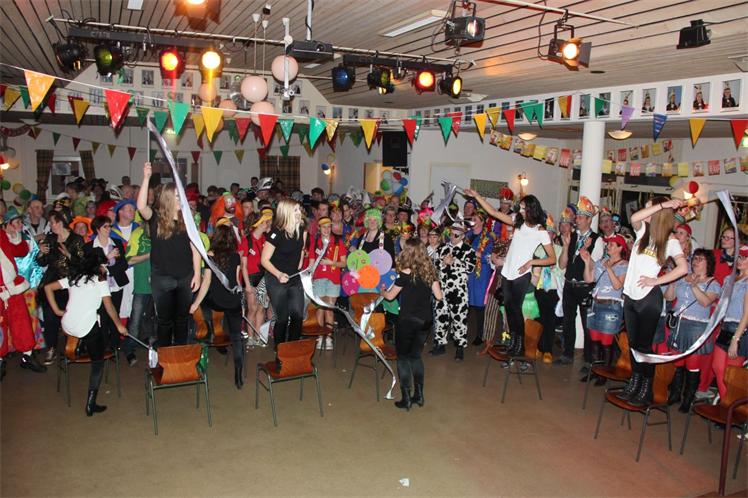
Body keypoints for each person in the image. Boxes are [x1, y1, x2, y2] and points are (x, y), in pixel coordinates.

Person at [464, 190, 555, 357]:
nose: (521, 211)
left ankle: (520, 345)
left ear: (532, 209)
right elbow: (493, 212)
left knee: (516, 309)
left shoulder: (540, 230)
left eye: (524, 208)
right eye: (520, 207)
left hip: (522, 274)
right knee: (508, 309)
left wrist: (531, 262)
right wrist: (476, 196)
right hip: (507, 272)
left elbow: (552, 258)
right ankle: (512, 341)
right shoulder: (517, 223)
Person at [619, 197, 688, 407]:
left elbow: (683, 268)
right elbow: (634, 217)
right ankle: (635, 382)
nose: (646, 211)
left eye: (650, 208)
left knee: (644, 348)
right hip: (630, 295)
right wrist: (663, 205)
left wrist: (656, 281)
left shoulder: (670, 240)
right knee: (633, 344)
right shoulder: (642, 231)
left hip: (649, 298)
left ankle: (646, 389)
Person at [44, 249, 128, 416]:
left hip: (67, 324)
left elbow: (48, 287)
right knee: (98, 362)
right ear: (99, 265)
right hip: (85, 327)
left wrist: (58, 311)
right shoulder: (100, 280)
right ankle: (91, 404)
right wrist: (119, 326)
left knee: (90, 329)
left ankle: (79, 347)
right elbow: (109, 306)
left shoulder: (74, 277)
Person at [137, 162, 201, 347]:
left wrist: (197, 274)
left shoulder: (187, 220)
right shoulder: (155, 219)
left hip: (185, 277)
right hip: (162, 279)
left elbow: (196, 248)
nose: (181, 199)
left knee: (182, 320)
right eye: (177, 196)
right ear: (167, 199)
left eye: (181, 196)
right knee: (164, 321)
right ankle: (165, 356)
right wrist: (146, 178)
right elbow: (141, 206)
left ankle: (180, 355)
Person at [380, 238, 443, 411]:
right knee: (415, 356)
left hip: (407, 320)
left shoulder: (405, 273)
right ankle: (419, 396)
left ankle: (406, 398)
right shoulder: (430, 272)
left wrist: (383, 291)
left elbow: (390, 296)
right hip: (425, 321)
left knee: (403, 358)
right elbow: (439, 297)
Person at [190, 220, 245, 389]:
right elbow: (237, 282)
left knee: (203, 305)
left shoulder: (210, 255)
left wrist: (195, 303)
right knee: (236, 338)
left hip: (216, 300)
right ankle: (238, 376)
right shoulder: (236, 256)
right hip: (233, 301)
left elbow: (206, 282)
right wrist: (241, 304)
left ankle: (208, 330)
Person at [664, 248, 720, 412]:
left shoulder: (713, 284)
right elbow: (669, 297)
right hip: (679, 324)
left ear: (708, 263)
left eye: (700, 259)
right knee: (677, 362)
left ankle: (688, 398)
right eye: (694, 258)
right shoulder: (683, 278)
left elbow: (705, 302)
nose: (695, 262)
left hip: (696, 327)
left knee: (692, 364)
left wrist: (694, 286)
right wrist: (673, 281)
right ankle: (675, 394)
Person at [557, 197, 605, 369]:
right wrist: (565, 247)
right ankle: (567, 354)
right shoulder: (571, 237)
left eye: (580, 217)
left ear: (589, 220)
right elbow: (562, 265)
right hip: (569, 285)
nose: (576, 220)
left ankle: (588, 359)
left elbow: (595, 268)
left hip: (585, 287)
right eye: (576, 217)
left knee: (587, 324)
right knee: (568, 321)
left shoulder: (597, 240)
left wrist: (585, 252)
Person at [0, 211, 47, 379]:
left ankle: (27, 356)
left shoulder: (3, 236)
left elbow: (20, 251)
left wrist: (15, 237)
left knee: (22, 322)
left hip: (13, 288)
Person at [37, 211, 85, 365]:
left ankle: (72, 347)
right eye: (51, 223)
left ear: (61, 222)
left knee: (70, 316)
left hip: (70, 284)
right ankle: (51, 348)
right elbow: (42, 262)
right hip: (51, 283)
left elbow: (83, 263)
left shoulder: (76, 239)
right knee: (50, 317)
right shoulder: (50, 239)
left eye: (53, 222)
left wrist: (69, 255)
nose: (51, 225)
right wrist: (40, 253)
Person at [579, 234, 629, 383]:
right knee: (594, 341)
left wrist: (609, 269)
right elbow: (589, 279)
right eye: (608, 244)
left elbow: (617, 286)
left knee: (606, 342)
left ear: (620, 248)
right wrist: (587, 263)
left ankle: (604, 374)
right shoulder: (601, 261)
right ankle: (595, 371)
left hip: (611, 306)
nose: (608, 246)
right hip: (595, 303)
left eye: (612, 244)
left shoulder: (624, 265)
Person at [261, 199, 306, 347]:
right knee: (282, 318)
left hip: (294, 277)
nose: (299, 213)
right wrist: (279, 274)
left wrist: (300, 262)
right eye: (295, 210)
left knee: (298, 315)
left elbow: (301, 248)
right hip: (276, 278)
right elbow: (264, 260)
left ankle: (292, 348)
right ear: (286, 213)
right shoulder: (276, 233)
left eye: (299, 209)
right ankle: (280, 349)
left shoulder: (300, 229)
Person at [431, 222, 476, 360]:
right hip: (442, 288)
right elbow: (434, 265)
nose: (452, 237)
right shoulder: (442, 248)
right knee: (440, 316)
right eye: (451, 234)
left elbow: (471, 267)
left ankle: (460, 347)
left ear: (462, 236)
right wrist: (443, 262)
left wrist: (454, 262)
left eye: (456, 235)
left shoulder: (468, 250)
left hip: (458, 290)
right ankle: (440, 344)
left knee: (459, 318)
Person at [709, 243, 747, 399]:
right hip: (725, 327)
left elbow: (746, 315)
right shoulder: (730, 279)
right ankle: (727, 403)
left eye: (744, 258)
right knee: (717, 367)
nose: (740, 260)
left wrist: (736, 339)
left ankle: (729, 406)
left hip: (740, 330)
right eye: (739, 257)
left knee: (731, 374)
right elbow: (723, 304)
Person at [85, 216, 129, 349]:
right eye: (105, 227)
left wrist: (108, 270)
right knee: (102, 316)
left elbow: (124, 264)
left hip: (116, 285)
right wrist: (107, 258)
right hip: (99, 287)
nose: (109, 229)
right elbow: (90, 268)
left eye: (110, 226)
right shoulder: (89, 247)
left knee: (115, 314)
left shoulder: (116, 243)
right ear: (97, 229)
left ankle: (115, 346)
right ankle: (104, 346)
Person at [307, 216, 347, 349]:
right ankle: (319, 336)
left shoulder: (338, 242)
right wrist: (308, 275)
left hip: (333, 279)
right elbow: (311, 262)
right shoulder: (315, 242)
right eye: (324, 227)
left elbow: (344, 263)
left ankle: (329, 337)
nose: (326, 229)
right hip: (318, 279)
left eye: (329, 227)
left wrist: (332, 263)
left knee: (329, 309)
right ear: (319, 228)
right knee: (320, 308)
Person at [121, 219, 155, 366]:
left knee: (155, 319)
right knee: (135, 319)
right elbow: (128, 260)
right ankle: (129, 349)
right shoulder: (138, 234)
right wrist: (149, 255)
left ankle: (156, 348)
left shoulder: (161, 232)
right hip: (142, 285)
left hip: (160, 284)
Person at [533, 214, 564, 364]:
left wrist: (554, 269)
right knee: (539, 318)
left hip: (553, 290)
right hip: (539, 288)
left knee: (550, 320)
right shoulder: (538, 249)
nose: (547, 235)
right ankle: (538, 346)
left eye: (550, 233)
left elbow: (563, 271)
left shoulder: (559, 250)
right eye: (545, 233)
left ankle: (547, 350)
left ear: (554, 235)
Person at [240, 209, 272, 344]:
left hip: (263, 277)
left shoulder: (266, 239)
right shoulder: (246, 240)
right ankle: (250, 337)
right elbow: (243, 265)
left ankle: (259, 336)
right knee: (252, 308)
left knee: (261, 308)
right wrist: (247, 285)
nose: (267, 224)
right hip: (251, 277)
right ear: (258, 224)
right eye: (264, 222)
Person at [466, 212, 496, 346]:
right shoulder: (467, 235)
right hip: (467, 273)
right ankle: (461, 332)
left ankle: (480, 334)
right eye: (472, 219)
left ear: (482, 222)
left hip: (481, 274)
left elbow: (489, 257)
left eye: (475, 219)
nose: (472, 221)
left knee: (479, 306)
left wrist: (477, 253)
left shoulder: (488, 237)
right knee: (465, 304)